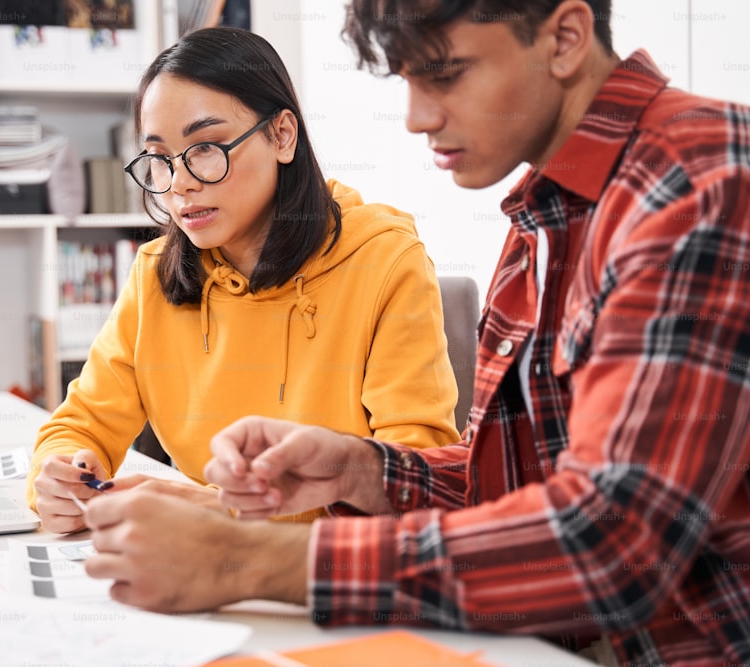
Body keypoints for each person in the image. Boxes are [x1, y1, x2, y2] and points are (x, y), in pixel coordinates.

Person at [79, 2, 750, 665]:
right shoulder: (547, 214)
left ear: (566, 38)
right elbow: (519, 488)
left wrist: (248, 558)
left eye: (447, 74)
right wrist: (360, 468)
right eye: (407, 80)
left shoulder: (695, 180)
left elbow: (612, 540)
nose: (417, 118)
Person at [28, 26, 461, 534]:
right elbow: (80, 423)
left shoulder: (385, 261)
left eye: (206, 147)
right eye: (160, 158)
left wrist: (214, 509)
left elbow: (414, 479)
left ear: (282, 135)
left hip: (327, 570)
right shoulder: (154, 273)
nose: (180, 183)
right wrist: (59, 473)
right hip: (202, 563)